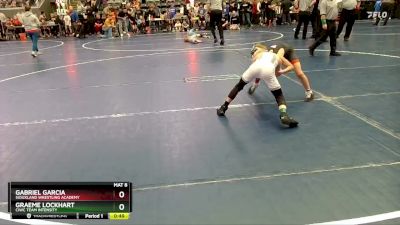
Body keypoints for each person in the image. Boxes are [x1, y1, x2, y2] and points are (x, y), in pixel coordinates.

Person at [216, 44, 299, 128]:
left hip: (255, 68)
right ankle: (284, 115)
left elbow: (256, 64)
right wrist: (281, 71)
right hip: (269, 70)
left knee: (239, 86)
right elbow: (280, 71)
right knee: (279, 95)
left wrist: (256, 81)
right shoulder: (278, 57)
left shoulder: (260, 53)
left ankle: (223, 107)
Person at [248, 43, 314, 101]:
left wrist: (282, 71)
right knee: (261, 69)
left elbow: (291, 67)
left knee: (299, 73)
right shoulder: (261, 56)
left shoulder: (277, 56)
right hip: (278, 52)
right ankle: (256, 84)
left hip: (288, 53)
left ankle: (309, 91)